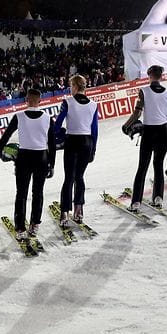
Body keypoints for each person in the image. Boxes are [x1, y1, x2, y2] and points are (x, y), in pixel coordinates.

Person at [0, 88, 55, 239]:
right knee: (38, 193)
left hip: (24, 158)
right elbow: (52, 144)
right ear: (40, 101)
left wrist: (0, 153)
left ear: (26, 100)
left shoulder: (18, 116)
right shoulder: (48, 118)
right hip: (41, 157)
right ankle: (35, 224)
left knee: (21, 194)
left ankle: (20, 228)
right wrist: (52, 164)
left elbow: (5, 136)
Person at [121, 65, 167, 210]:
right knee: (158, 166)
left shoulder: (144, 91)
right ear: (161, 76)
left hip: (150, 131)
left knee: (142, 167)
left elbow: (137, 113)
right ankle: (158, 198)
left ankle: (135, 202)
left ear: (150, 76)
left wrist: (126, 125)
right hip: (164, 131)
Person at [53, 74, 99, 226]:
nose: (69, 88)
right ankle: (78, 211)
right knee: (79, 176)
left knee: (69, 178)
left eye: (71, 85)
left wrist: (57, 134)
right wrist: (93, 149)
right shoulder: (93, 104)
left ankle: (65, 213)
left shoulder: (67, 102)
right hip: (86, 142)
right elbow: (94, 130)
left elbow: (58, 123)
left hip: (72, 141)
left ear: (75, 86)